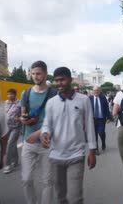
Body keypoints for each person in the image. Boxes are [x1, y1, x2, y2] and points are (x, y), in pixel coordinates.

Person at [41, 67, 97, 204]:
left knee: (75, 198)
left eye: (63, 79)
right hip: (55, 156)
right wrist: (45, 133)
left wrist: (92, 150)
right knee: (61, 196)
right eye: (57, 81)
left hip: (76, 154)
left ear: (70, 80)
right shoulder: (51, 103)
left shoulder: (83, 100)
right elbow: (47, 123)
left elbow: (89, 125)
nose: (60, 83)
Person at [19, 60, 57, 204]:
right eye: (33, 73)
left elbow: (56, 119)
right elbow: (23, 114)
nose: (35, 76)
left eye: (38, 74)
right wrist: (24, 119)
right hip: (28, 142)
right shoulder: (26, 93)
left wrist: (40, 132)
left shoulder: (54, 94)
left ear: (45, 74)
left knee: (47, 180)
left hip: (47, 143)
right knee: (26, 178)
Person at [3, 88, 21, 174]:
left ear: (15, 94)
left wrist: (20, 118)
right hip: (7, 127)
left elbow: (25, 113)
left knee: (10, 144)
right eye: (8, 94)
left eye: (11, 94)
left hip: (16, 127)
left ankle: (7, 165)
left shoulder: (19, 103)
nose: (9, 96)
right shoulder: (6, 102)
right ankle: (16, 161)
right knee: (12, 145)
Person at [89, 86, 111, 154]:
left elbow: (107, 108)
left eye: (97, 90)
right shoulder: (90, 98)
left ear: (99, 91)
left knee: (101, 132)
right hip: (93, 120)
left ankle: (103, 142)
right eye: (94, 90)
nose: (96, 92)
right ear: (92, 91)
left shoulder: (103, 98)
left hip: (101, 119)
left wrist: (109, 117)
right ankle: (96, 149)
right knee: (94, 134)